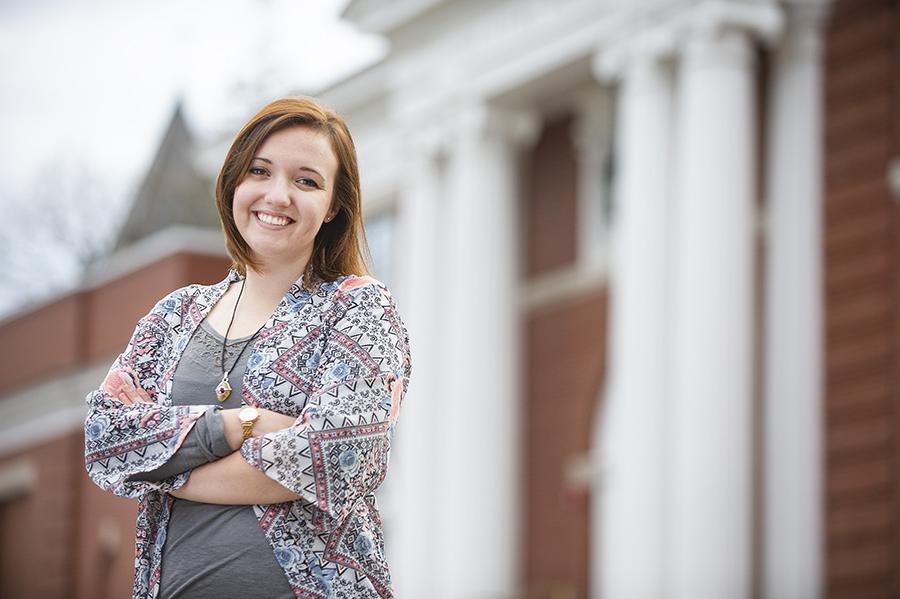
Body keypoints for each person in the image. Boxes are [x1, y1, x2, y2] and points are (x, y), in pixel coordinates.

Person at [84, 96, 412, 599]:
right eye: (260, 172)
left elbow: (334, 457)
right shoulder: (175, 315)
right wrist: (241, 425)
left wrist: (166, 471)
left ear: (334, 206)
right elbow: (106, 440)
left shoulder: (357, 307)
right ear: (234, 182)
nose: (278, 195)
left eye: (307, 181)